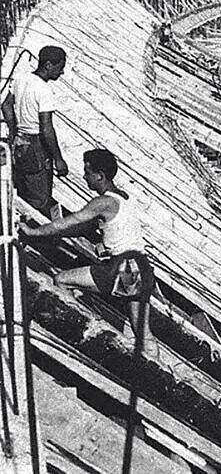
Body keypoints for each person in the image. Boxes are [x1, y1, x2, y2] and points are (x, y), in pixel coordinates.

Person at [20, 149, 156, 352]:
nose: (85, 177)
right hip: (142, 268)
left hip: (124, 268)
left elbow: (67, 223)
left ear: (99, 176)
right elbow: (81, 228)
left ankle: (78, 334)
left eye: (87, 172)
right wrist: (52, 233)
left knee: (61, 280)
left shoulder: (102, 202)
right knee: (143, 333)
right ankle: (157, 377)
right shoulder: (123, 198)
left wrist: (32, 232)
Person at [1, 45, 68, 217]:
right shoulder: (44, 90)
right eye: (60, 67)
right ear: (48, 65)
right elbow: (46, 129)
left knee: (24, 185)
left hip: (19, 143)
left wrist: (14, 131)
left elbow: (6, 105)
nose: (61, 72)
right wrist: (59, 159)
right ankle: (39, 232)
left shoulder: (20, 79)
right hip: (36, 146)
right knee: (41, 195)